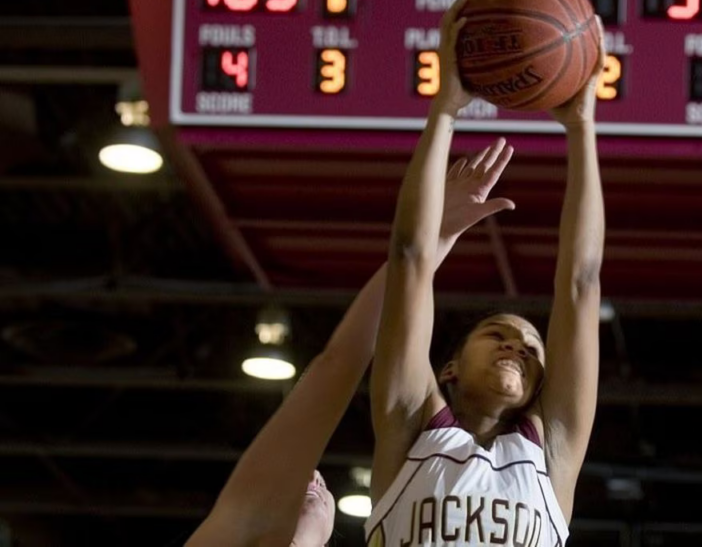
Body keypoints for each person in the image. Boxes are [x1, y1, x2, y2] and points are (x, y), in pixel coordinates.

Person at [184, 137, 518, 547]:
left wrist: (433, 240)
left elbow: (342, 360)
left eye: (316, 478)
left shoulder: (251, 519)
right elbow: (339, 364)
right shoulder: (236, 526)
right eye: (315, 480)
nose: (310, 476)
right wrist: (430, 242)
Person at [367, 0, 606, 546]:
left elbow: (581, 283)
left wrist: (582, 126)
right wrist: (445, 108)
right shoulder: (410, 426)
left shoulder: (551, 453)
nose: (519, 346)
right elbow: (409, 258)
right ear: (447, 369)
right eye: (498, 334)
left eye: (530, 348)